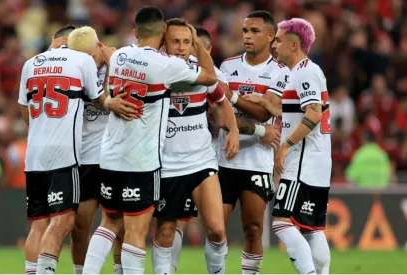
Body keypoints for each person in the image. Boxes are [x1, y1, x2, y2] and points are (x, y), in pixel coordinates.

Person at [84, 6, 218, 275]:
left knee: (108, 224)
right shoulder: (167, 65)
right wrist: (196, 43)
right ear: (164, 32)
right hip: (141, 161)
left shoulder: (120, 55)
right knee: (136, 230)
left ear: (135, 32)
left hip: (110, 155)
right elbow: (210, 77)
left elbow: (109, 90)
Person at [19, 25, 136, 274]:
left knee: (120, 223)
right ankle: (80, 271)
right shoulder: (77, 63)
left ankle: (120, 269)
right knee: (79, 224)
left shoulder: (119, 61)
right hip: (80, 156)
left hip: (113, 153)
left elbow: (27, 113)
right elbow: (102, 100)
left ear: (98, 46)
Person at [151, 18, 239, 275]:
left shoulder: (200, 72)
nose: (180, 47)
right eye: (175, 41)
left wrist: (233, 130)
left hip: (201, 160)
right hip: (167, 162)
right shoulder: (155, 69)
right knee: (166, 231)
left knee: (217, 229)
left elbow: (221, 100)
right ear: (164, 42)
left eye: (186, 42)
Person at [217, 10, 288, 274]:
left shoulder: (280, 71)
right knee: (215, 229)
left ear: (271, 36)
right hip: (225, 158)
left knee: (254, 228)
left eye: (255, 31)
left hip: (258, 162)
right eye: (246, 30)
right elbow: (221, 118)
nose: (248, 35)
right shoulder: (228, 66)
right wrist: (260, 128)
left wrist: (233, 97)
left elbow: (265, 111)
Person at [259, 17, 331, 274]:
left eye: (277, 39)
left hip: (303, 160)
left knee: (281, 222)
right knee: (311, 228)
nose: (273, 44)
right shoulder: (302, 72)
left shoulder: (304, 71)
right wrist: (269, 106)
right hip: (318, 161)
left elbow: (313, 113)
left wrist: (286, 145)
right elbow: (296, 112)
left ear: (293, 45)